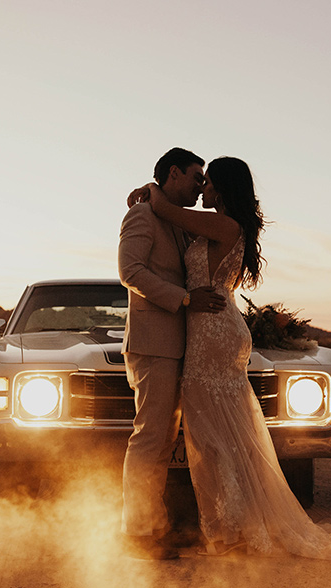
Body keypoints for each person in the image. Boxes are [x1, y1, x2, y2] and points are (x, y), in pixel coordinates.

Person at [129, 157, 331, 559]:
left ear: (222, 187)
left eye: (207, 182)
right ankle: (231, 525)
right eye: (198, 180)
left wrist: (149, 193)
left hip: (212, 335)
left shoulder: (223, 224)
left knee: (213, 438)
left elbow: (167, 210)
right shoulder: (219, 225)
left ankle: (232, 529)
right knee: (222, 434)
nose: (202, 188)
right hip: (211, 331)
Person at [117, 147, 227, 560]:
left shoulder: (173, 217)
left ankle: (154, 526)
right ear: (174, 173)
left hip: (182, 346)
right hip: (153, 343)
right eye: (197, 178)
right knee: (149, 438)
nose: (201, 187)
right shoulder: (142, 214)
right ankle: (137, 534)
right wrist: (183, 300)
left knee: (164, 441)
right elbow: (130, 271)